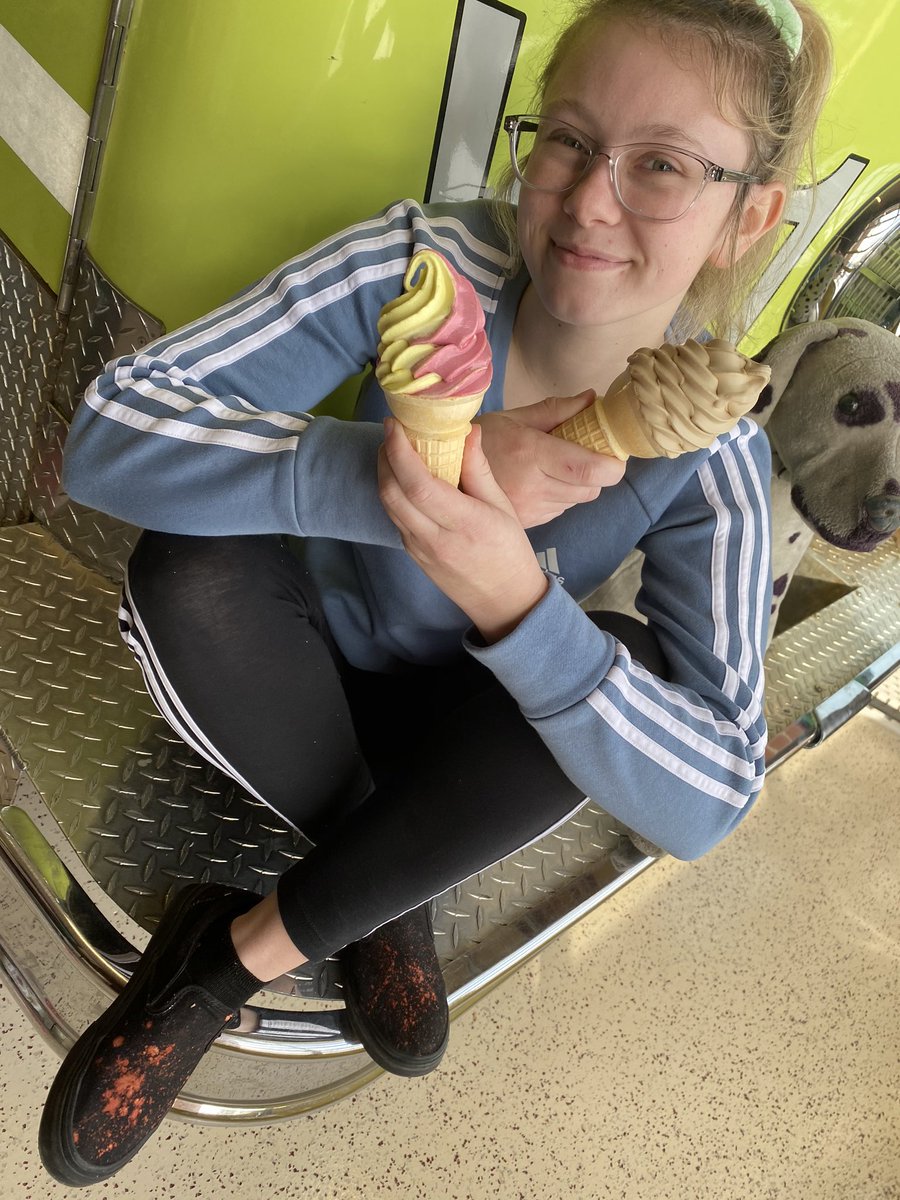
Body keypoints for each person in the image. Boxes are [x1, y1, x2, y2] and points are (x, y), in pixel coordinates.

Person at [39, 0, 832, 1185]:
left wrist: (521, 607)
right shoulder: (424, 269)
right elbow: (108, 436)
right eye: (568, 139)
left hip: (465, 731)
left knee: (610, 657)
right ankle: (380, 882)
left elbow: (712, 795)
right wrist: (393, 477)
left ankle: (226, 957)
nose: (591, 200)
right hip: (296, 666)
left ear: (748, 215)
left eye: (663, 165)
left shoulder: (709, 458)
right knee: (190, 563)